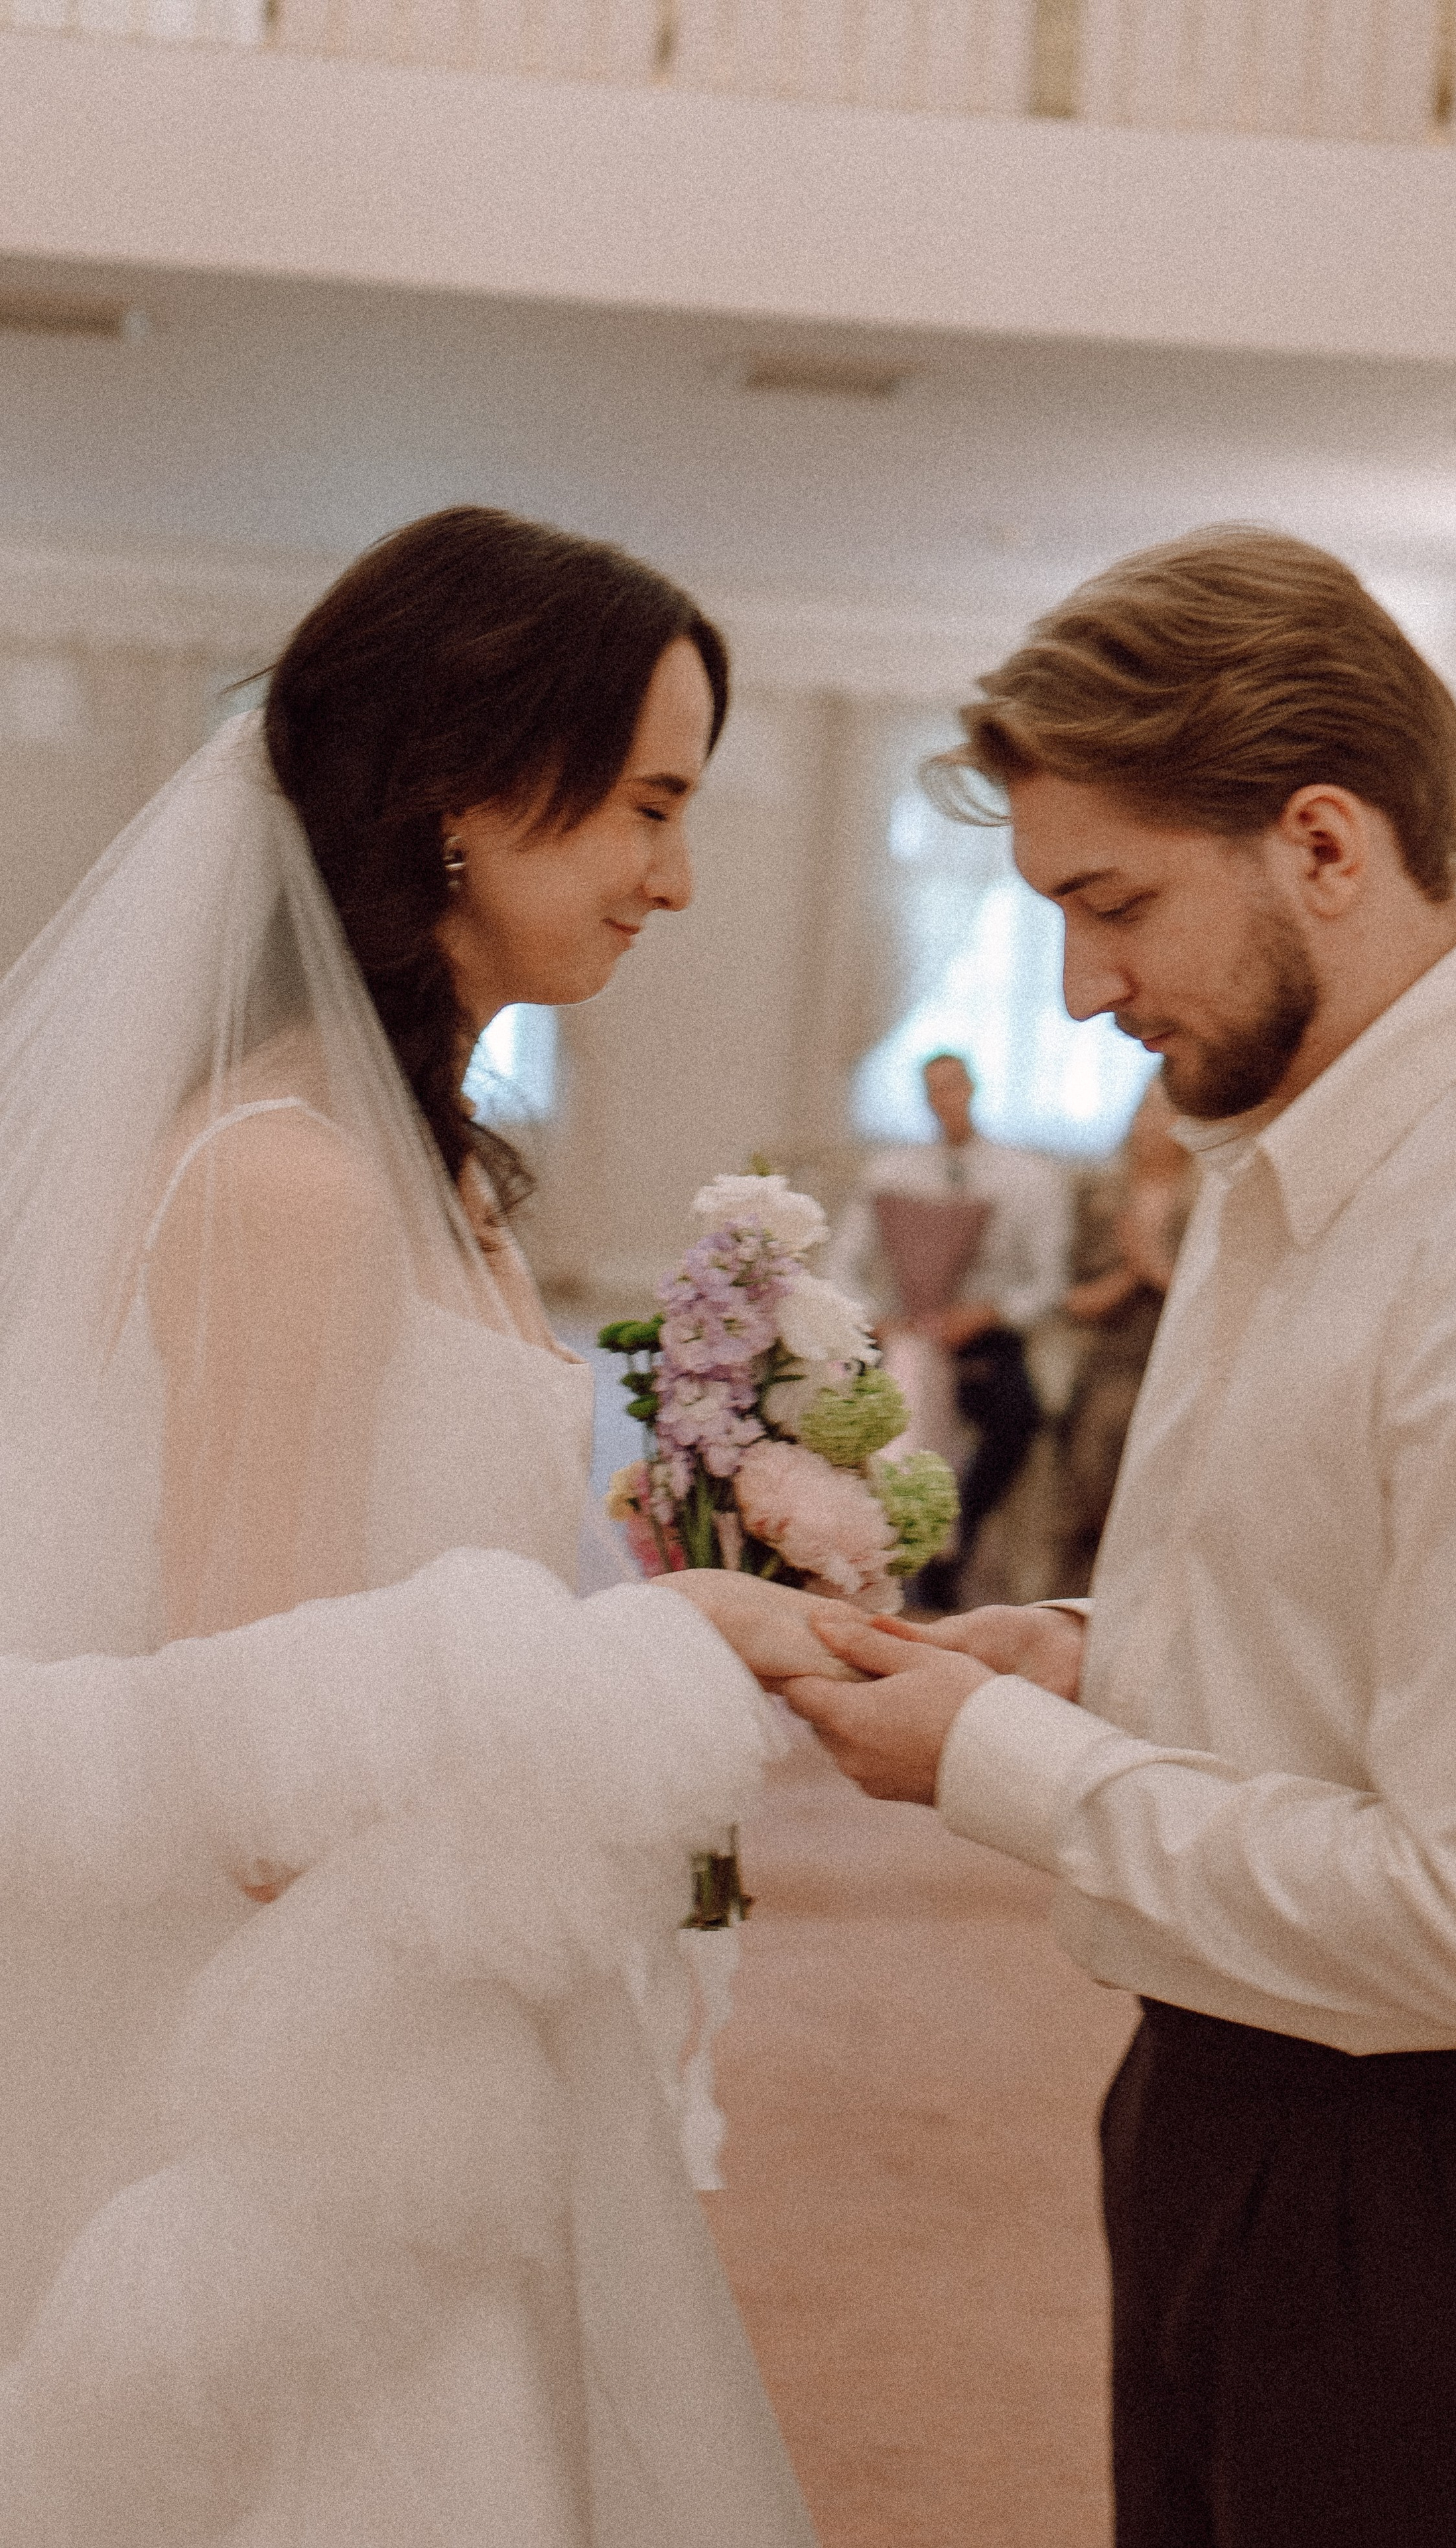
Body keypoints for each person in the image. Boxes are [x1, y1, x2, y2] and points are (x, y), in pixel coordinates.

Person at [784, 528, 1456, 2547]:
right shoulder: (1293, 1152)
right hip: (1235, 2099)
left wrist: (998, 1761)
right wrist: (1096, 1653)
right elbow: (1361, 1612)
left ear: (1320, 840)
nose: (1080, 984)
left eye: (1113, 903)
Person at [0, 504, 846, 2544]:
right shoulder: (288, 1177)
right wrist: (667, 1666)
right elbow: (260, 1769)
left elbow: (413, 1588)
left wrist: (695, 1556)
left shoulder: (446, 1173)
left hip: (447, 1998)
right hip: (305, 2087)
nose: (676, 875)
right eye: (646, 804)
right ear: (462, 797)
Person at [826, 1050, 1067, 1608]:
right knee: (845, 1415)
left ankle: (953, 1535)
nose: (944, 1100)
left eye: (953, 1087)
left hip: (982, 1332)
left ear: (972, 1089)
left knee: (1016, 1419)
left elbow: (1047, 1282)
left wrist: (988, 1312)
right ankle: (859, 1550)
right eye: (932, 1089)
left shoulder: (1029, 1177)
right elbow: (844, 1263)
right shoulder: (891, 1172)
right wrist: (878, 1318)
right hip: (898, 1331)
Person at [1049, 1078, 1192, 1595]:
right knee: (1090, 1481)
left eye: (1165, 1111)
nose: (1152, 1125)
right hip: (1110, 1363)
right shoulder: (1100, 1199)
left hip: (1182, 1366)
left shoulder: (1208, 1198)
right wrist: (1134, 1273)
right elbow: (1069, 1300)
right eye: (1143, 1112)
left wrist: (1152, 1265)